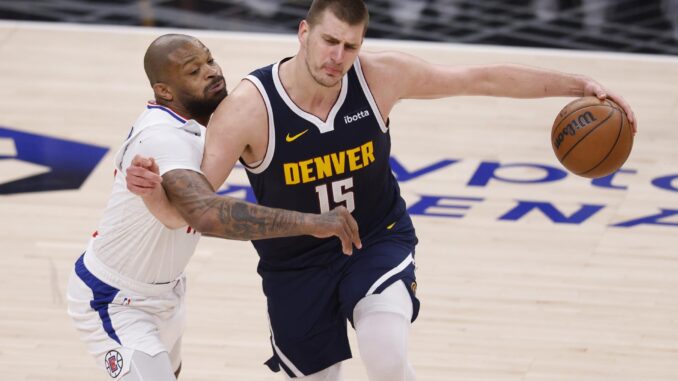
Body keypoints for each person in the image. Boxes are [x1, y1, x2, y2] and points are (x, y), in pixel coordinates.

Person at [128, 1, 637, 379]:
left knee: (387, 353)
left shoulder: (378, 78)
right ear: (303, 33)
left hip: (375, 236)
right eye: (329, 42)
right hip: (295, 262)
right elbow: (199, 210)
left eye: (351, 46)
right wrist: (156, 199)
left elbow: (479, 78)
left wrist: (581, 84)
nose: (338, 57)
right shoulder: (248, 108)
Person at [66, 33, 361, 381]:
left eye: (209, 60)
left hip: (166, 292)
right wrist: (312, 222)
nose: (211, 71)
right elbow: (206, 214)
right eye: (194, 71)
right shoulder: (162, 137)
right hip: (115, 298)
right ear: (165, 91)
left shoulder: (206, 124)